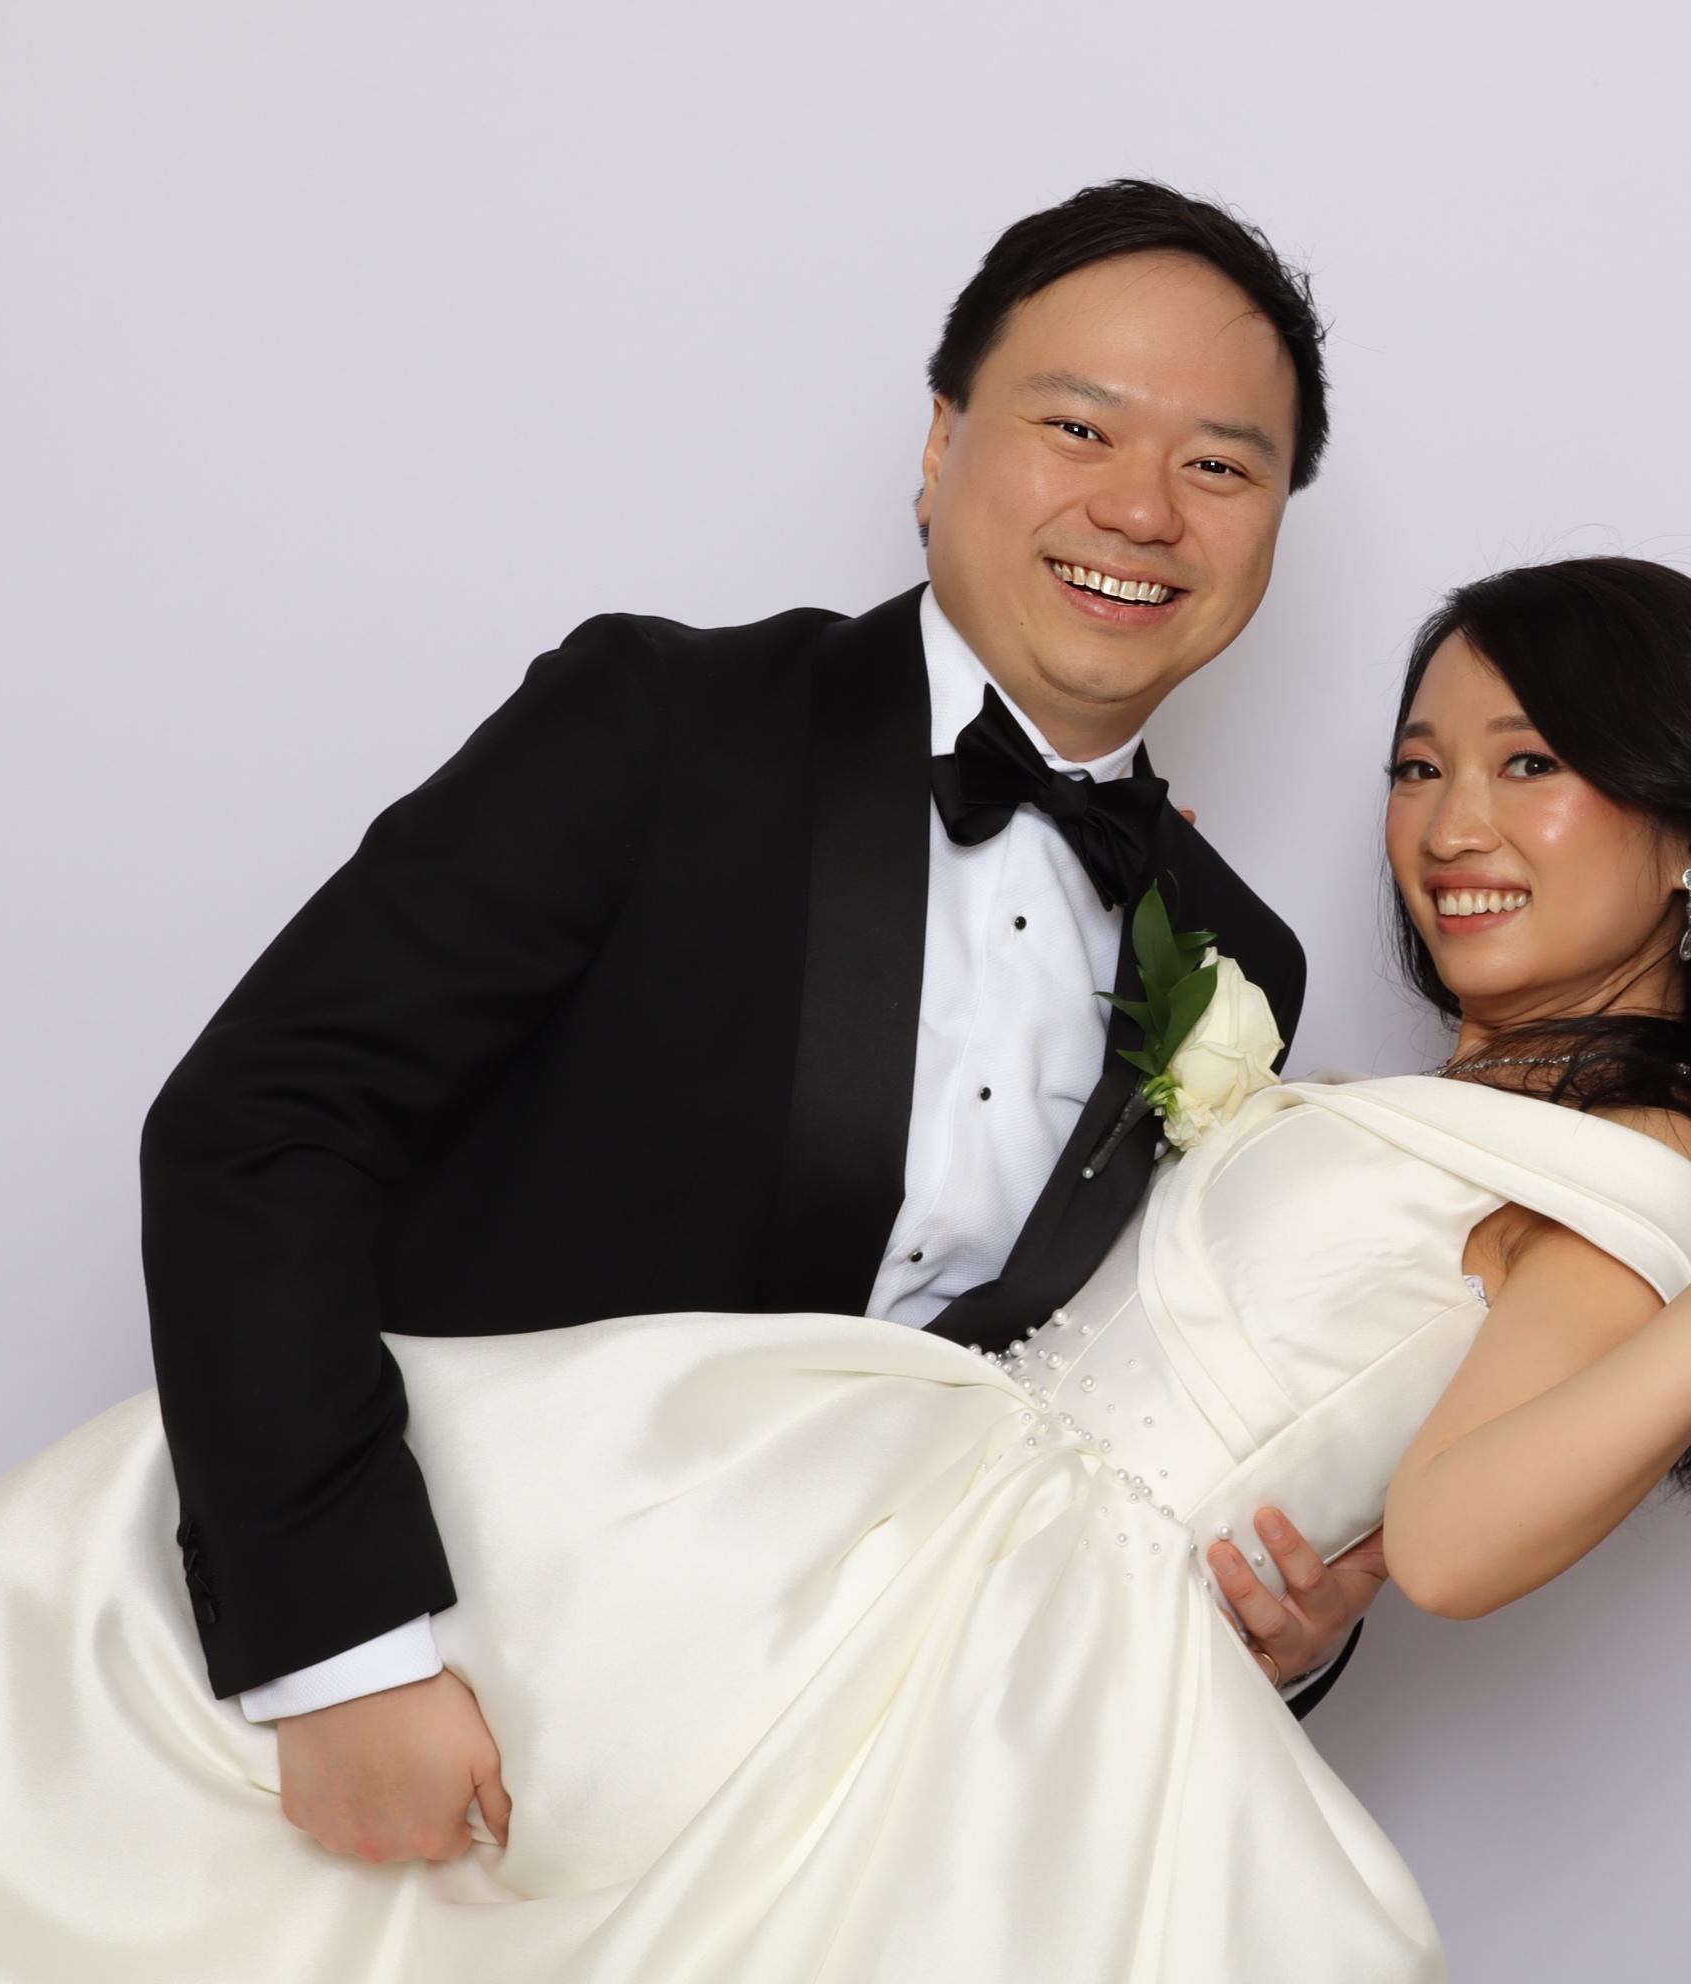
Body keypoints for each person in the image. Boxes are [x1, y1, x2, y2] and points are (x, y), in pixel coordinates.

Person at [0, 553, 1691, 1979]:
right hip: (869, 1515)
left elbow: (1443, 1537)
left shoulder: (1646, 1170)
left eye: (1530, 763)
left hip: (994, 1644)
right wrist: (1295, 1583)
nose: (1448, 820)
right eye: (1418, 760)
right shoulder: (1419, 1068)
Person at [134, 175, 1386, 1871]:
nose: (1144, 508)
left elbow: (1102, 1428)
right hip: (437, 1698)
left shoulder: (1238, 961)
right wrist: (346, 1659)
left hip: (826, 1790)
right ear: (939, 443)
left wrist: (1284, 1641)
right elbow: (264, 1129)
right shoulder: (662, 725)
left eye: (1221, 467)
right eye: (1080, 427)